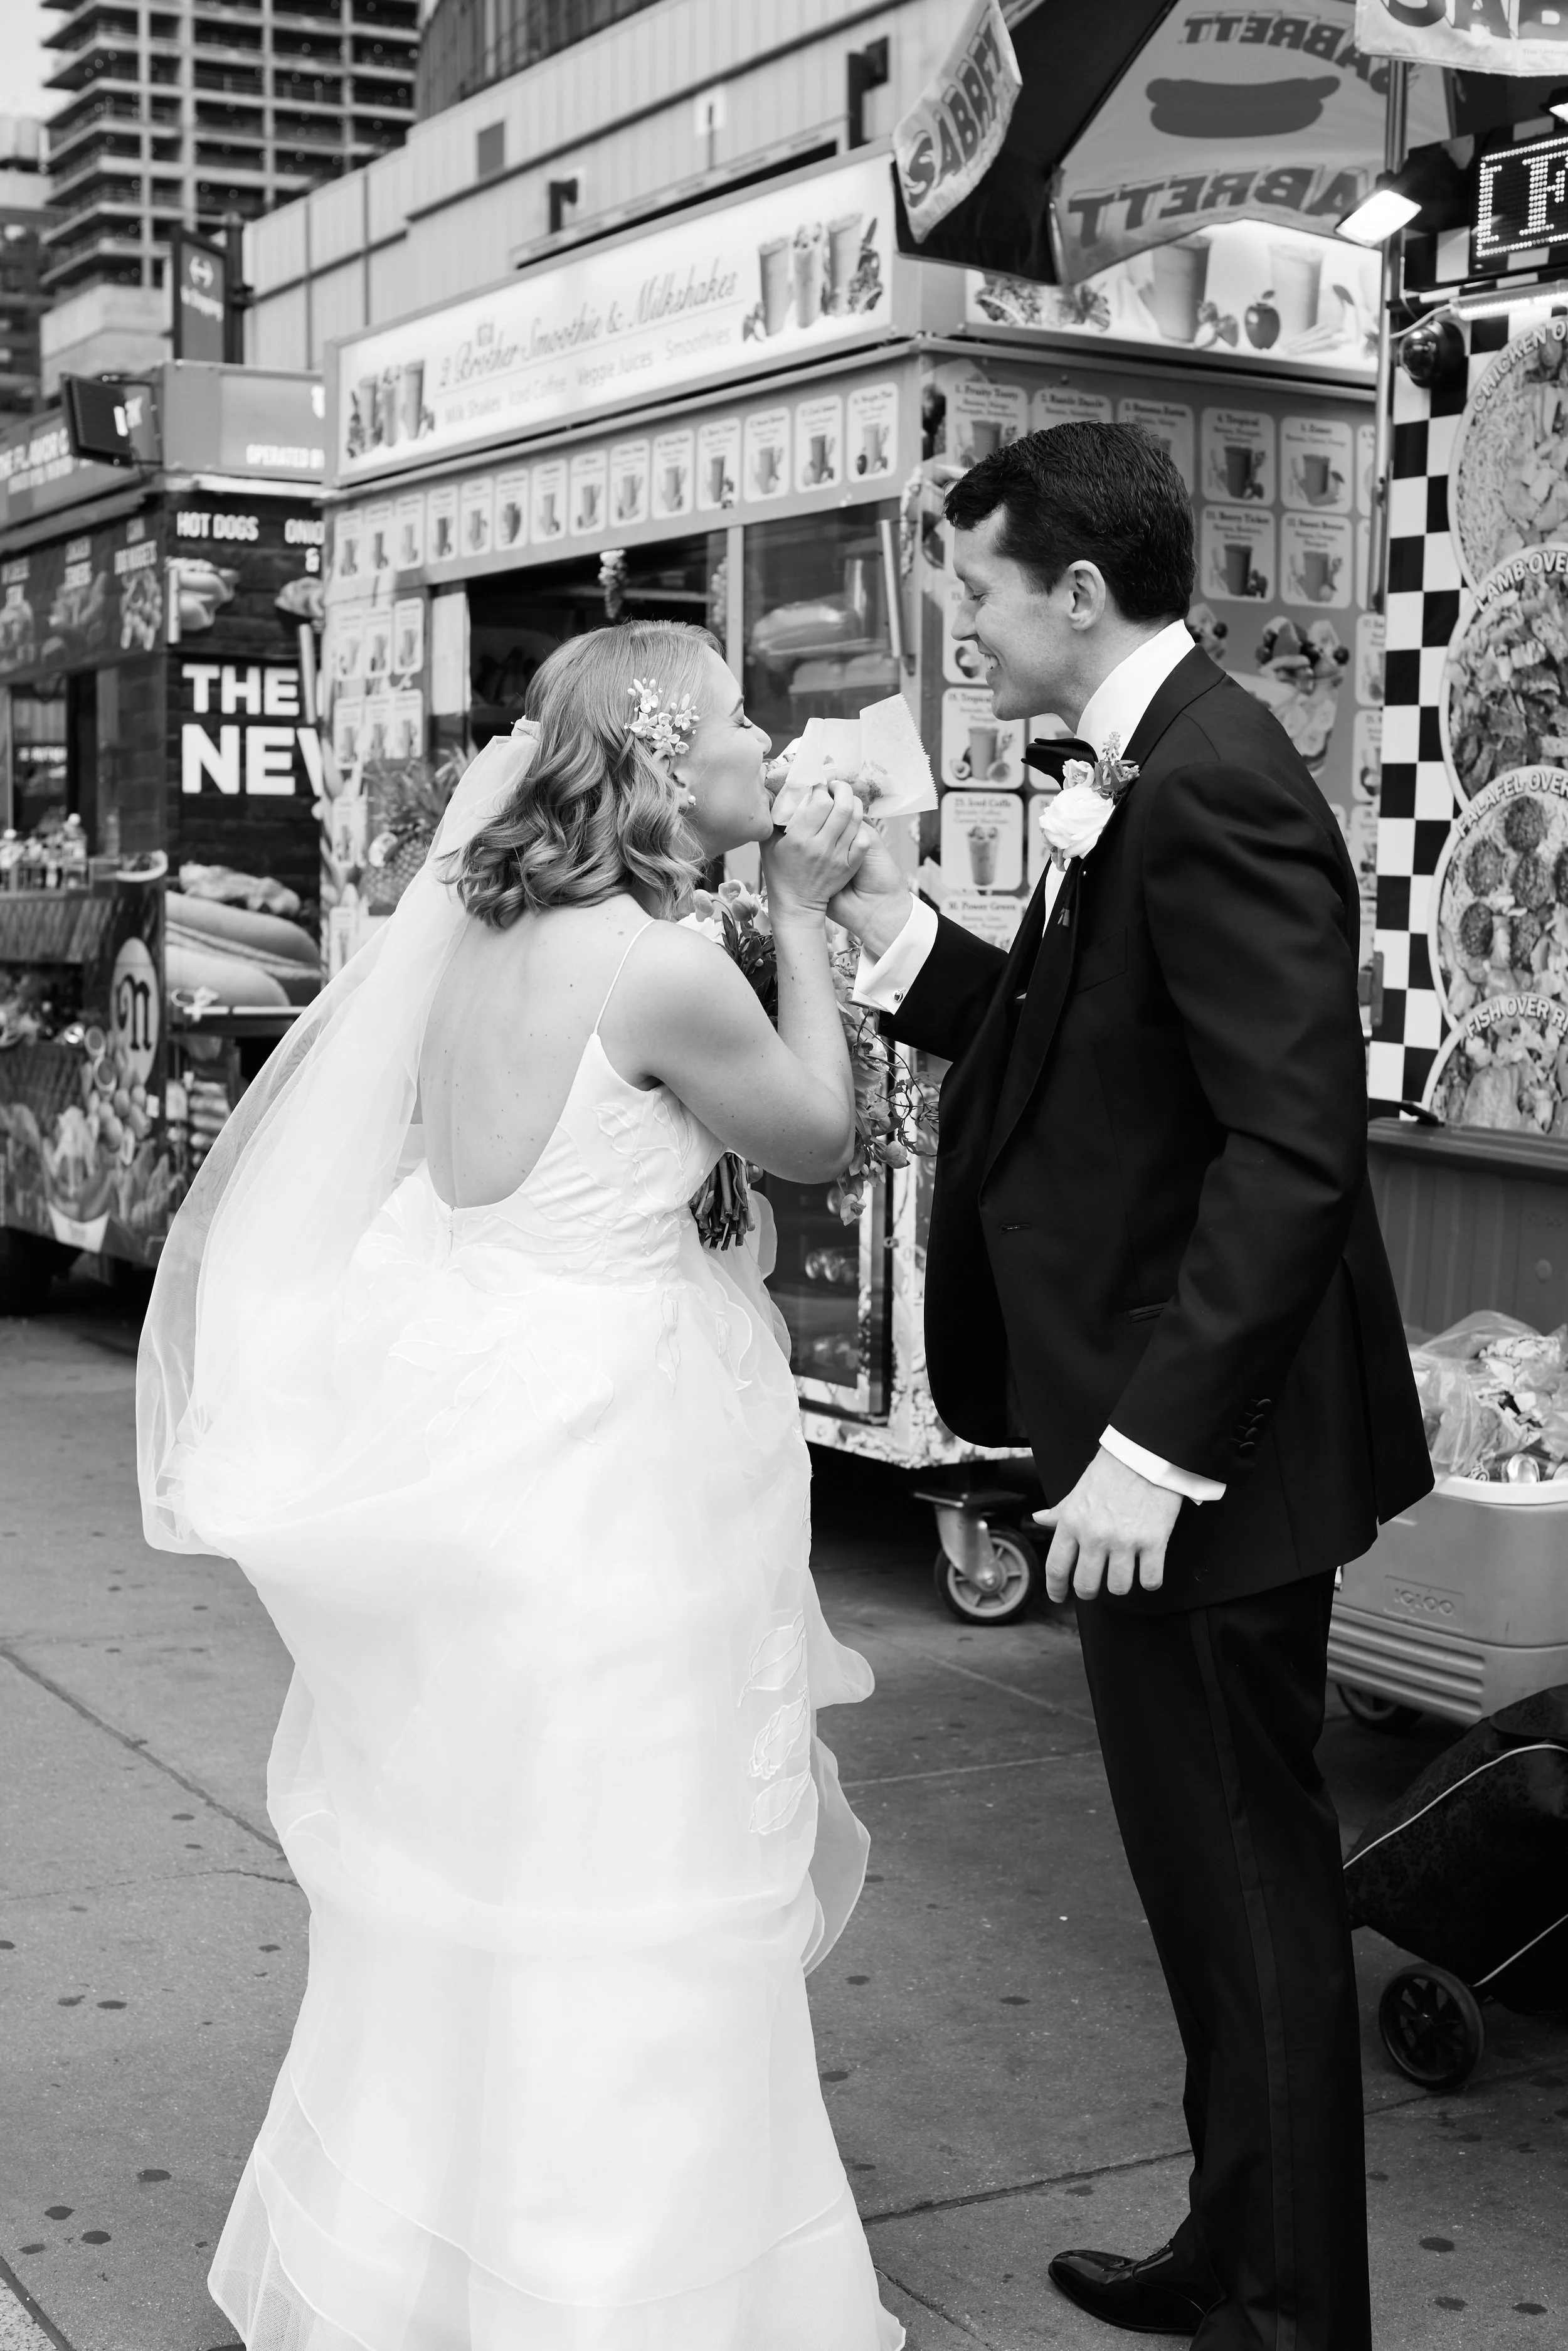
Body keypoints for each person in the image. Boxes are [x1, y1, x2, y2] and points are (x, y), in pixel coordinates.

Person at [137, 620, 904, 2351]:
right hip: (615, 1459)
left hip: (490, 1426)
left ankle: (420, 2264)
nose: (760, 747)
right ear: (653, 761)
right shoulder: (660, 965)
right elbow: (810, 1132)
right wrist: (791, 914)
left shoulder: (479, 934)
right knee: (633, 1857)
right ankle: (618, 2291)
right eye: (730, 722)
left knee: (488, 1854)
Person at [829, 423, 1431, 2351]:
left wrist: (1153, 1453)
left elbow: (1286, 1149)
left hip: (1206, 1458)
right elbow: (1070, 1047)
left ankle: (1286, 2306)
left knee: (1248, 1877)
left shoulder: (1213, 786)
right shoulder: (1152, 771)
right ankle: (1230, 2233)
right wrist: (884, 922)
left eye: (978, 589)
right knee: (1193, 1877)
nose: (963, 625)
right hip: (1151, 1444)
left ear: (1077, 592)